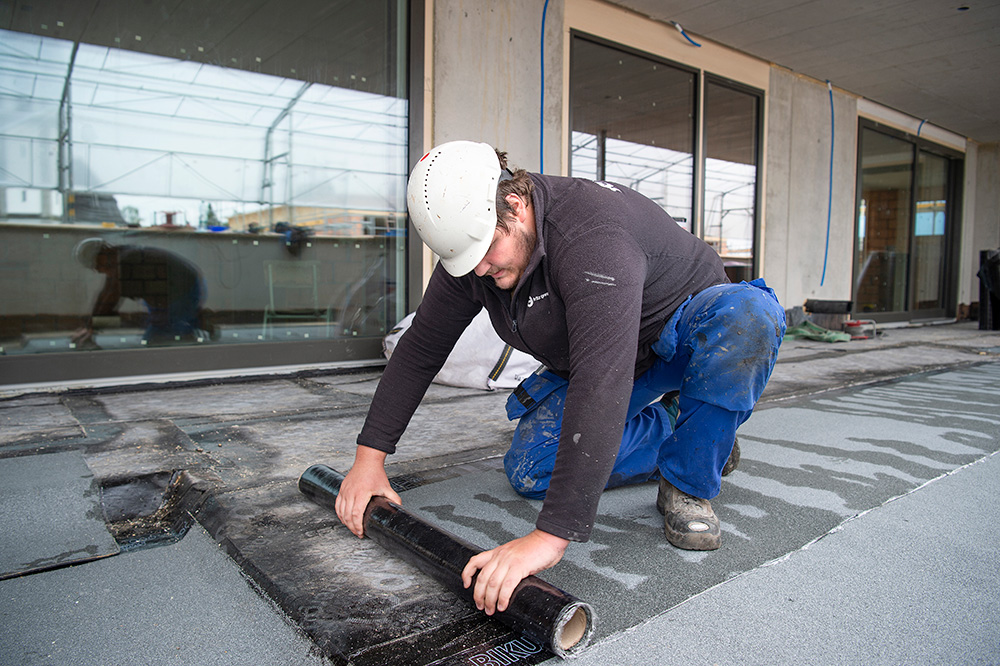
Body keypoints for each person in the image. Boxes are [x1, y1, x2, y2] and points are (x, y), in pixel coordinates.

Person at [335, 141, 785, 617]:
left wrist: (549, 537)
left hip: (680, 339)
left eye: (487, 250)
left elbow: (601, 381)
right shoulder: (473, 251)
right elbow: (422, 347)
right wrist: (369, 460)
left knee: (748, 314)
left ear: (514, 203)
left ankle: (692, 475)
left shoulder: (590, 234)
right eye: (469, 262)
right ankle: (692, 432)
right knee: (534, 469)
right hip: (608, 358)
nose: (482, 269)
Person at [72, 238, 209, 346]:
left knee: (156, 340)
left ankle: (197, 325)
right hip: (164, 293)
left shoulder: (124, 261)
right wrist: (90, 325)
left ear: (103, 252)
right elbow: (106, 294)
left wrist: (91, 327)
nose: (99, 270)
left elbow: (111, 297)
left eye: (97, 265)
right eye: (96, 268)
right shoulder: (118, 258)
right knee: (153, 326)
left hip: (184, 290)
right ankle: (195, 320)